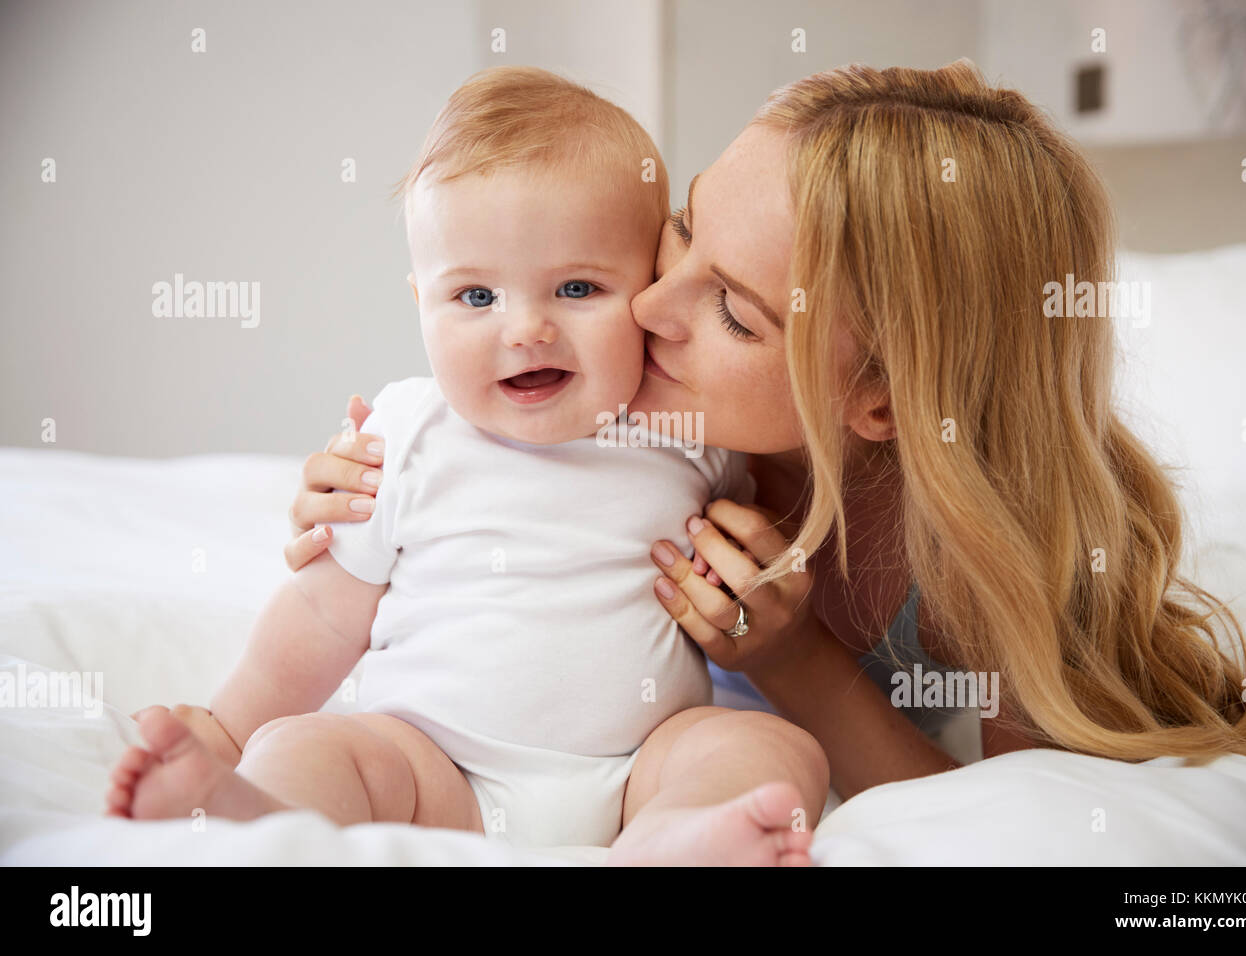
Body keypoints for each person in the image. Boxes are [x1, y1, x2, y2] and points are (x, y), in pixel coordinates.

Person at [287, 60, 1246, 809]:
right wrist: (357, 489)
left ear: (883, 400)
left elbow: (989, 808)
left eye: (733, 311)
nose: (646, 307)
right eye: (684, 229)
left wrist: (794, 661)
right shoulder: (660, 410)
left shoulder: (974, 566)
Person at [105, 67, 829, 866]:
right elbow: (320, 616)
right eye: (476, 298)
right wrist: (229, 727)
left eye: (578, 287)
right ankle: (251, 813)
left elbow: (759, 542)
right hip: (434, 762)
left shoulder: (684, 433)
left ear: (645, 288)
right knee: (315, 749)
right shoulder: (406, 437)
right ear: (422, 302)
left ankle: (676, 840)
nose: (526, 330)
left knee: (769, 748)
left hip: (636, 767)